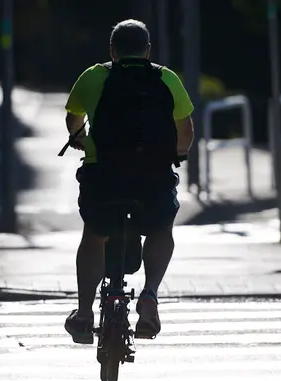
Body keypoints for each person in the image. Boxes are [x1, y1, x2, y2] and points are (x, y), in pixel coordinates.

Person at [63, 19, 195, 344]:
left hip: (104, 176)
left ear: (112, 50)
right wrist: (176, 152)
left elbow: (73, 119)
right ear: (148, 50)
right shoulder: (166, 78)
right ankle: (149, 295)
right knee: (161, 229)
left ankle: (83, 315)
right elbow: (186, 132)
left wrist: (79, 139)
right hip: (153, 178)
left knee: (94, 236)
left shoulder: (94, 76)